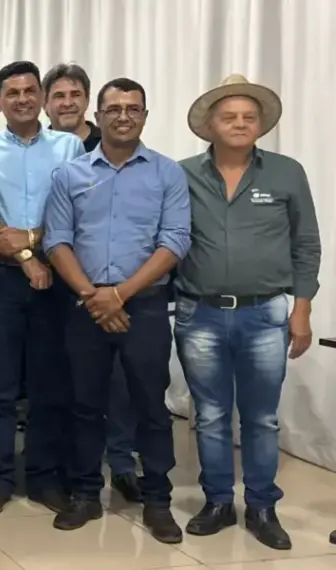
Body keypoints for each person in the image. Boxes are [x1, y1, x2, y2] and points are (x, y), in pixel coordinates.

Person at [175, 75, 320, 550]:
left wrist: (302, 309)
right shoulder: (182, 174)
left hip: (266, 316)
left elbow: (306, 245)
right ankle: (217, 500)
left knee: (262, 418)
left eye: (248, 117)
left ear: (260, 125)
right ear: (210, 125)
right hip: (200, 315)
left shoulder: (286, 173)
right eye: (228, 116)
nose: (239, 123)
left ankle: (261, 505)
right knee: (212, 415)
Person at [43, 77, 190, 543]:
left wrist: (120, 294)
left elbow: (175, 242)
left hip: (143, 307)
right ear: (98, 115)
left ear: (145, 116)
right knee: (85, 405)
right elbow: (56, 241)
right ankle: (86, 494)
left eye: (133, 108)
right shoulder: (71, 174)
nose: (123, 115)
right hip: (84, 306)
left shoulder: (168, 173)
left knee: (150, 406)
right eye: (114, 108)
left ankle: (158, 501)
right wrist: (94, 296)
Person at [0, 61, 83, 516]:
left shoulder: (68, 145)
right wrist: (22, 256)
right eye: (11, 92)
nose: (21, 98)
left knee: (48, 385)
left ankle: (42, 477)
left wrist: (34, 244)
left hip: (55, 279)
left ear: (41, 97)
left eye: (29, 90)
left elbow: (77, 207)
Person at [43, 62, 142, 503]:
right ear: (47, 103)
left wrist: (109, 295)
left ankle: (121, 464)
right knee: (67, 382)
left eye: (74, 95)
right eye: (58, 96)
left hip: (117, 291)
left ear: (89, 104)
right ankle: (70, 467)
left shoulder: (119, 145)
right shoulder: (43, 147)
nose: (67, 103)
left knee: (120, 385)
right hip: (56, 281)